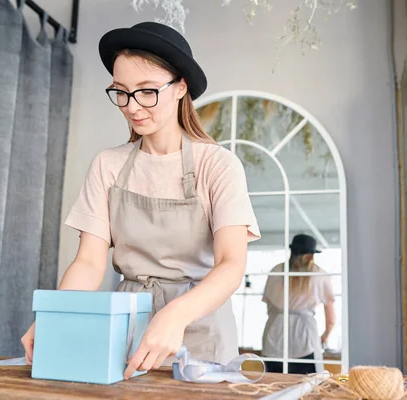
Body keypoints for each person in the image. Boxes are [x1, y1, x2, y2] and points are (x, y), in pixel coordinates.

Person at [20, 22, 260, 379]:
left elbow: (230, 264)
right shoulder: (108, 165)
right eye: (121, 92)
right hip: (127, 325)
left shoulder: (218, 165)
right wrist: (57, 315)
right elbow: (88, 262)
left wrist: (174, 314)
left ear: (181, 88)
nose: (132, 106)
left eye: (147, 91)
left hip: (200, 329)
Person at [261, 234, 336, 374]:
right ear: (311, 256)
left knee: (274, 387)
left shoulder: (276, 271)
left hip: (274, 337)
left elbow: (269, 307)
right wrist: (325, 337)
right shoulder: (320, 275)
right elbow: (331, 319)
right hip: (305, 340)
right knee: (307, 388)